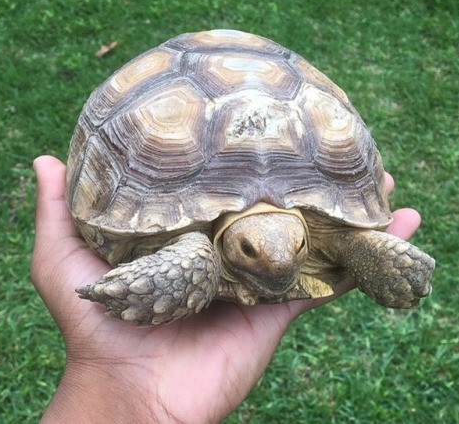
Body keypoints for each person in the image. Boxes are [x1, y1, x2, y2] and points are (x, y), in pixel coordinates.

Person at [31, 155, 423, 423]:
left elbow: (359, 243)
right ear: (228, 239)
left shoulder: (324, 236)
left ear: (306, 236)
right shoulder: (196, 251)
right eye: (250, 250)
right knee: (194, 262)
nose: (282, 264)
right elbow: (189, 261)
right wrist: (117, 377)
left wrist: (380, 260)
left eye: (298, 247)